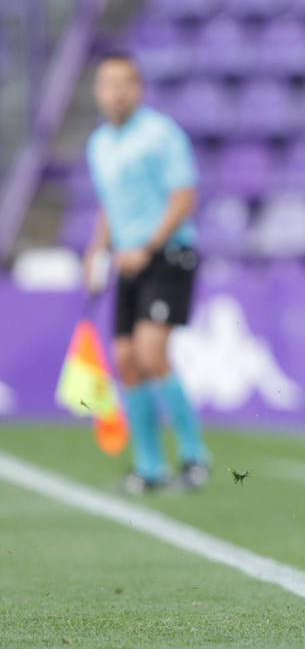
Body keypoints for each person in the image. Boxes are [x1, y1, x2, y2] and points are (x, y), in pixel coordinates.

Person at [81, 53, 209, 494]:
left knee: (152, 352)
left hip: (167, 254)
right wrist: (95, 253)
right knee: (125, 360)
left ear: (137, 89)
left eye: (124, 83)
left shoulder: (161, 134)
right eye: (107, 83)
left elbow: (183, 197)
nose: (116, 92)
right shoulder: (99, 144)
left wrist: (148, 245)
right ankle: (149, 467)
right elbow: (109, 207)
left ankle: (195, 459)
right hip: (126, 261)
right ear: (98, 92)